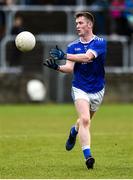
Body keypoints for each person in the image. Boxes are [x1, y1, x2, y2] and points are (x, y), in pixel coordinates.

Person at [43, 11, 107, 169]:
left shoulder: (100, 42)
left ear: (89, 25)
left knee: (84, 122)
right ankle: (88, 157)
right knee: (85, 119)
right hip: (80, 88)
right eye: (76, 23)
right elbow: (70, 68)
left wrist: (64, 55)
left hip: (98, 89)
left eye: (80, 23)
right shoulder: (72, 46)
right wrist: (57, 67)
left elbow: (87, 57)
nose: (77, 26)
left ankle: (73, 131)